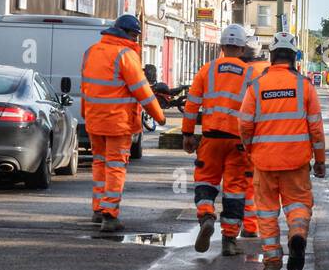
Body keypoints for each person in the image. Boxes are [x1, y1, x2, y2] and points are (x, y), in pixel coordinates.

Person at [238, 32, 326, 270]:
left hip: (264, 162)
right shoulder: (304, 87)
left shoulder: (257, 86)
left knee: (266, 213)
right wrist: (320, 161)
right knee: (298, 206)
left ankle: (272, 260)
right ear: (294, 57)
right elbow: (316, 128)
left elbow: (244, 124)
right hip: (296, 162)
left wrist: (249, 149)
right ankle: (297, 236)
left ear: (272, 56)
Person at [81, 14, 166, 234]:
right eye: (135, 36)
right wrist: (159, 116)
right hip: (117, 123)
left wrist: (85, 114)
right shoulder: (125, 55)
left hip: (94, 120)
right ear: (129, 34)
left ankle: (98, 210)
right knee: (116, 166)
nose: (136, 40)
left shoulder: (91, 52)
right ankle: (110, 215)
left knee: (99, 164)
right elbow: (143, 92)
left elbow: (86, 87)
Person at [182, 24, 253, 255]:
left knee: (206, 180)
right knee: (235, 189)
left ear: (221, 47)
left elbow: (191, 104)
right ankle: (229, 240)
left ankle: (206, 215)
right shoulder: (251, 74)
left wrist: (187, 134)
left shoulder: (207, 70)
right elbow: (257, 110)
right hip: (238, 142)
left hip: (211, 138)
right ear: (242, 49)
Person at [238, 30, 270, 240]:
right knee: (254, 183)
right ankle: (251, 226)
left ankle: (231, 224)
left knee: (235, 183)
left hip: (233, 131)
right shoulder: (267, 70)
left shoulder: (236, 70)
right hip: (262, 134)